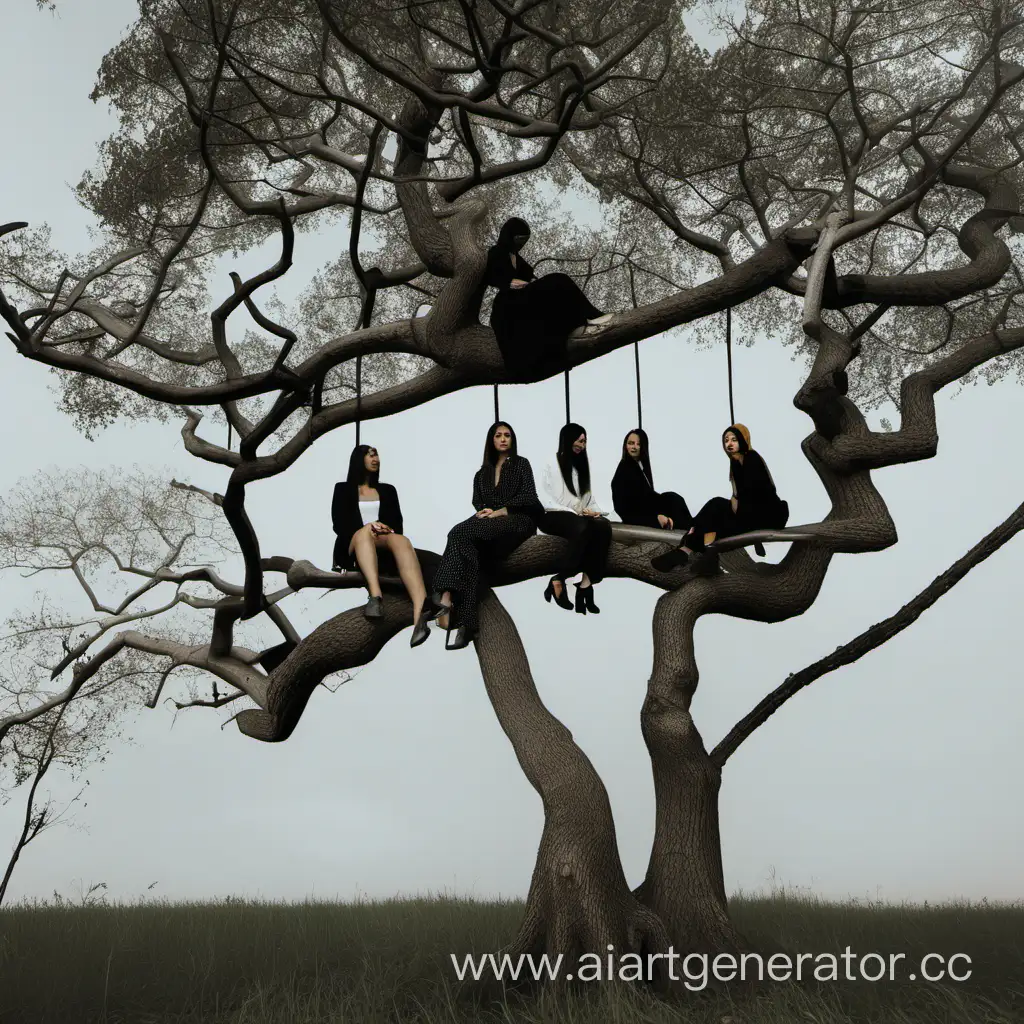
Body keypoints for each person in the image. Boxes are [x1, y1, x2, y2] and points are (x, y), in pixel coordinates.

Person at [429, 422, 543, 650]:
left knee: (459, 532)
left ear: (512, 439)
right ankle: (468, 624)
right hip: (490, 528)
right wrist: (483, 510)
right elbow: (478, 501)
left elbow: (530, 496)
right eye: (498, 435)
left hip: (518, 521)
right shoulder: (482, 473)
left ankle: (446, 595)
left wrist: (501, 511)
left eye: (507, 435)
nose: (503, 439)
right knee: (470, 551)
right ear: (491, 440)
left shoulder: (521, 464)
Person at [331, 444, 444, 647]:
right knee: (365, 532)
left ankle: (421, 611)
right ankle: (375, 596)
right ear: (359, 459)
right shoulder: (343, 488)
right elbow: (339, 524)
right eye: (371, 455)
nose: (376, 459)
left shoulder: (387, 490)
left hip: (382, 542)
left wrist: (384, 528)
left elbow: (397, 525)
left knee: (401, 540)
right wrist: (368, 526)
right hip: (352, 544)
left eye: (377, 455)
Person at [484, 217, 613, 377]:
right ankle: (592, 315)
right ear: (510, 235)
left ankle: (580, 320)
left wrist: (538, 285)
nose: (521, 244)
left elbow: (531, 278)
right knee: (559, 279)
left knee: (557, 290)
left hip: (524, 298)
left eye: (525, 241)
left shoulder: (517, 258)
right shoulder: (496, 253)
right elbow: (503, 281)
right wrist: (530, 285)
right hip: (509, 305)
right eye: (519, 239)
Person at [651, 424, 789, 571]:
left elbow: (755, 497)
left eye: (734, 439)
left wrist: (731, 511)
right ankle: (699, 552)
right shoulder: (736, 462)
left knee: (717, 512)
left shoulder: (751, 458)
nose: (729, 444)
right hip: (749, 513)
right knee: (715, 507)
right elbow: (738, 499)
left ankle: (689, 548)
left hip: (768, 514)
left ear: (743, 439)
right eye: (726, 440)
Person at [539, 423, 612, 614]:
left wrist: (596, 512)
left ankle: (586, 585)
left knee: (603, 527)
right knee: (582, 528)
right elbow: (546, 497)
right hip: (552, 515)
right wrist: (575, 511)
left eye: (585, 441)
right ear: (568, 439)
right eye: (579, 440)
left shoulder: (580, 470)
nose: (582, 445)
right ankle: (561, 577)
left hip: (577, 516)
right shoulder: (551, 462)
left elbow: (588, 500)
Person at [611, 428, 692, 532]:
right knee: (673, 501)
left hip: (649, 510)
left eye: (638, 444)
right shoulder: (624, 470)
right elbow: (626, 509)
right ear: (625, 445)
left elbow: (648, 496)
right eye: (631, 443)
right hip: (638, 516)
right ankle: (691, 531)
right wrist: (655, 518)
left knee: (673, 498)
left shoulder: (640, 465)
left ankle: (692, 530)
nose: (634, 447)